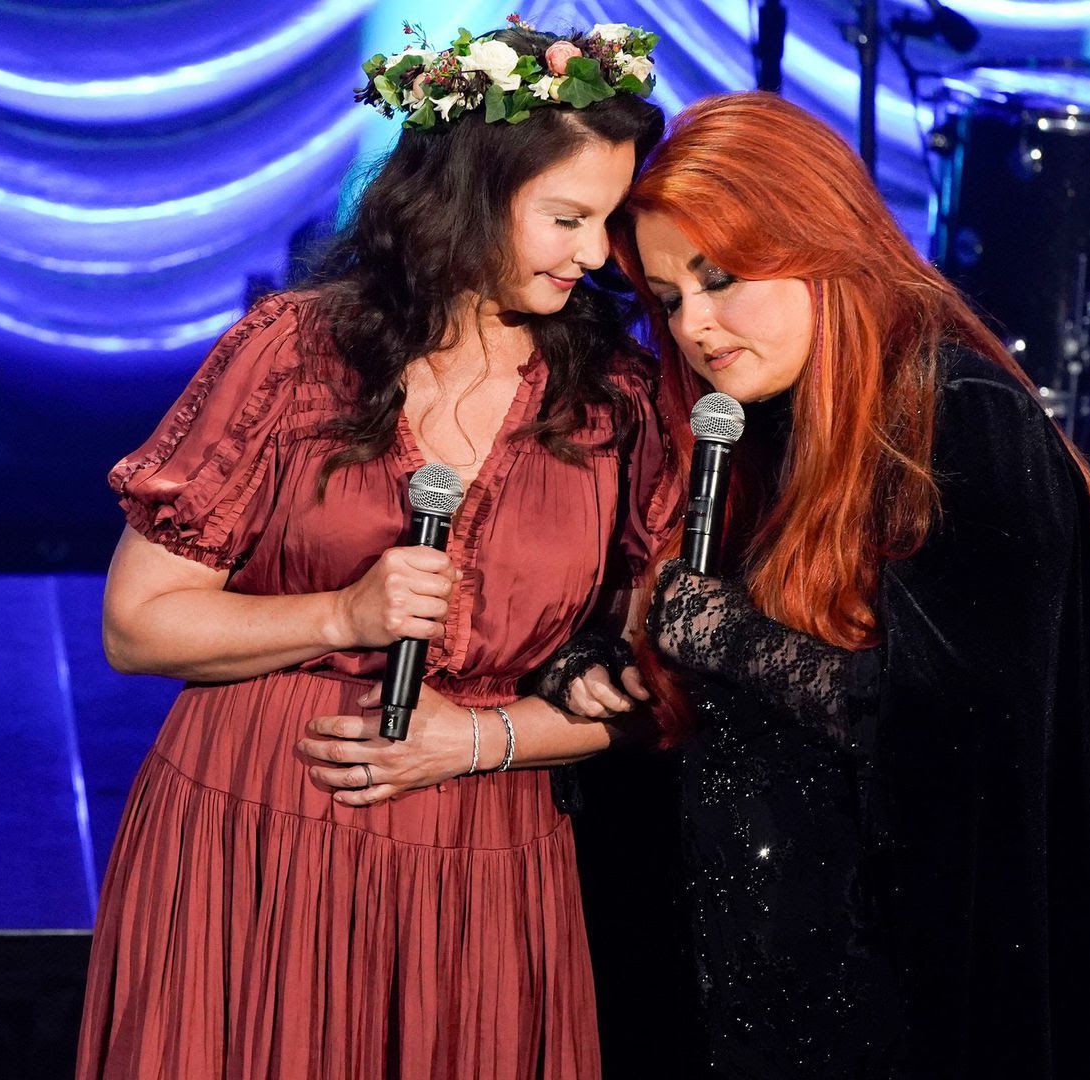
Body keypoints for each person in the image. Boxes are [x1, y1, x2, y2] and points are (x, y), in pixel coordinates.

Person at [539, 92, 1090, 1079]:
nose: (695, 325)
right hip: (773, 973)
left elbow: (971, 729)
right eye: (668, 298)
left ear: (819, 244)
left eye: (723, 278)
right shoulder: (744, 430)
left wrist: (721, 634)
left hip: (937, 984)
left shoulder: (960, 419)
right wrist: (612, 662)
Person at [76, 21, 668, 1079]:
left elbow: (662, 685)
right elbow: (136, 623)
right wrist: (338, 615)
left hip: (481, 864)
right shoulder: (295, 351)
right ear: (470, 194)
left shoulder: (615, 402)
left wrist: (483, 739)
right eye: (567, 218)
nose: (593, 255)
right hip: (253, 839)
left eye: (608, 223)